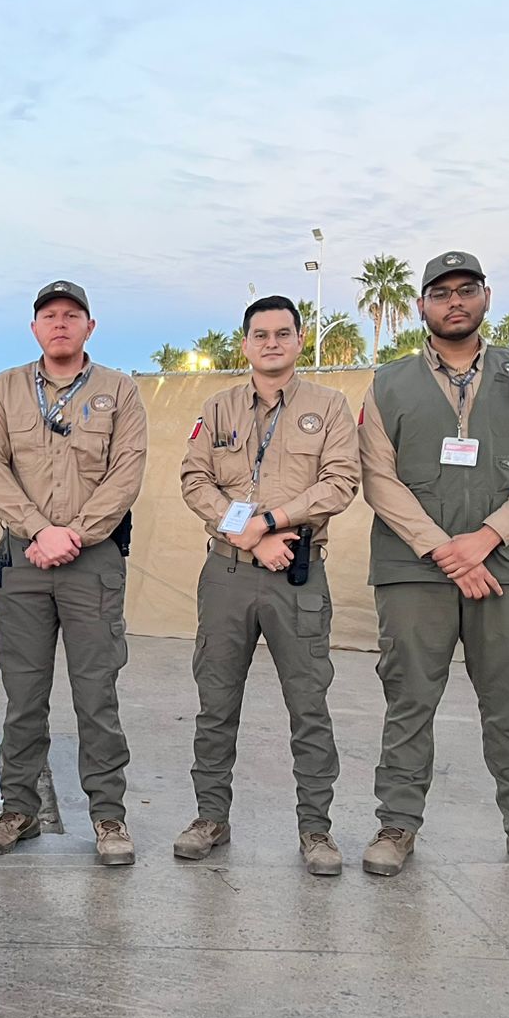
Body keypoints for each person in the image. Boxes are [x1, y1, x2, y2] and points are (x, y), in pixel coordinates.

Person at [357, 251, 509, 881]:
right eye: (440, 293)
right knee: (409, 702)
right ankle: (397, 825)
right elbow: (378, 477)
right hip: (415, 570)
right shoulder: (388, 383)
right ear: (421, 306)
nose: (454, 301)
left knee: (507, 703)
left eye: (466, 289)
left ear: (486, 295)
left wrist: (485, 539)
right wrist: (443, 550)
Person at [177, 295, 360, 874]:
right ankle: (210, 817)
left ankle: (316, 830)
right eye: (261, 334)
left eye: (283, 333)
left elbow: (340, 482)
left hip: (297, 575)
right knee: (215, 703)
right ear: (246, 344)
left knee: (309, 706)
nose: (272, 343)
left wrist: (274, 521)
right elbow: (195, 480)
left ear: (300, 341)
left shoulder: (329, 407)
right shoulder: (219, 407)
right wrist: (250, 536)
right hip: (228, 574)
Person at [0, 280, 148, 865]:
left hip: (92, 562)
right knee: (24, 696)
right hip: (25, 562)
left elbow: (126, 472)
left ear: (89, 327)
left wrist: (73, 533)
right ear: (34, 328)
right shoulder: (6, 388)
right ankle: (18, 809)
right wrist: (37, 530)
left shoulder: (119, 391)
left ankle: (108, 817)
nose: (60, 324)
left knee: (96, 696)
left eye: (72, 315)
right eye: (49, 315)